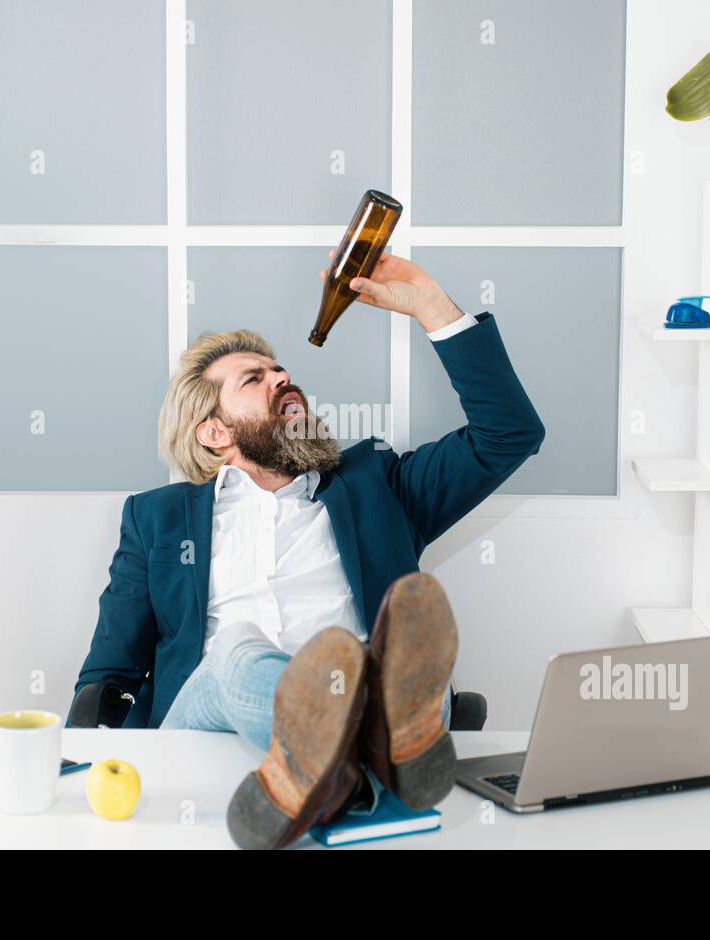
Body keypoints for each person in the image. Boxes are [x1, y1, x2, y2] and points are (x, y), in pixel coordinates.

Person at [74, 251, 545, 848]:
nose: (282, 379)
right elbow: (108, 677)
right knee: (237, 654)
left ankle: (327, 772)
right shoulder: (157, 519)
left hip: (367, 705)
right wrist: (75, 778)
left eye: (280, 370)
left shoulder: (379, 486)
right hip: (212, 732)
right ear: (215, 434)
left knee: (391, 648)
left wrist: (429, 304)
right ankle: (362, 764)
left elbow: (510, 435)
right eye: (255, 379)